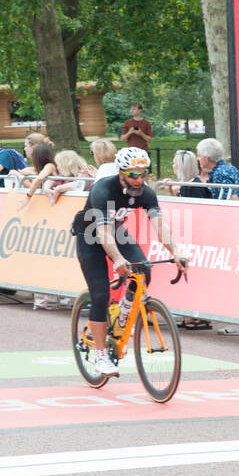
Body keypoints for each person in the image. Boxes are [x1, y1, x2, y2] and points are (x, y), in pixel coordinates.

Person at [74, 147, 188, 377]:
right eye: (133, 174)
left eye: (143, 174)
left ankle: (121, 317)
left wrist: (176, 250)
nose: (139, 180)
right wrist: (117, 259)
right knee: (100, 294)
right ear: (121, 172)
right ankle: (101, 355)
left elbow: (159, 225)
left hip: (116, 232)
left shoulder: (146, 193)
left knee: (143, 271)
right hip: (90, 235)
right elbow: (103, 233)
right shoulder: (103, 189)